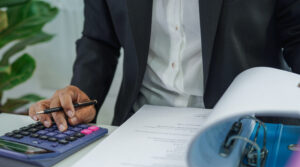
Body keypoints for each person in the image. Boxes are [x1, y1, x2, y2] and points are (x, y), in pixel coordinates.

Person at [29, 0, 300, 132]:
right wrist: (80, 96)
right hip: (138, 127)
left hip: (245, 130)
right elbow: (99, 39)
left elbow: (296, 35)